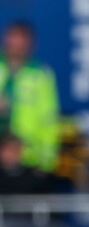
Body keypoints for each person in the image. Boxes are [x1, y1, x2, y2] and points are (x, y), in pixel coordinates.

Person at [0, 20, 61, 172]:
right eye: (14, 37)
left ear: (31, 44)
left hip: (28, 157)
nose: (17, 44)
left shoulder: (41, 75)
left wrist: (46, 161)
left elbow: (49, 120)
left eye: (22, 39)